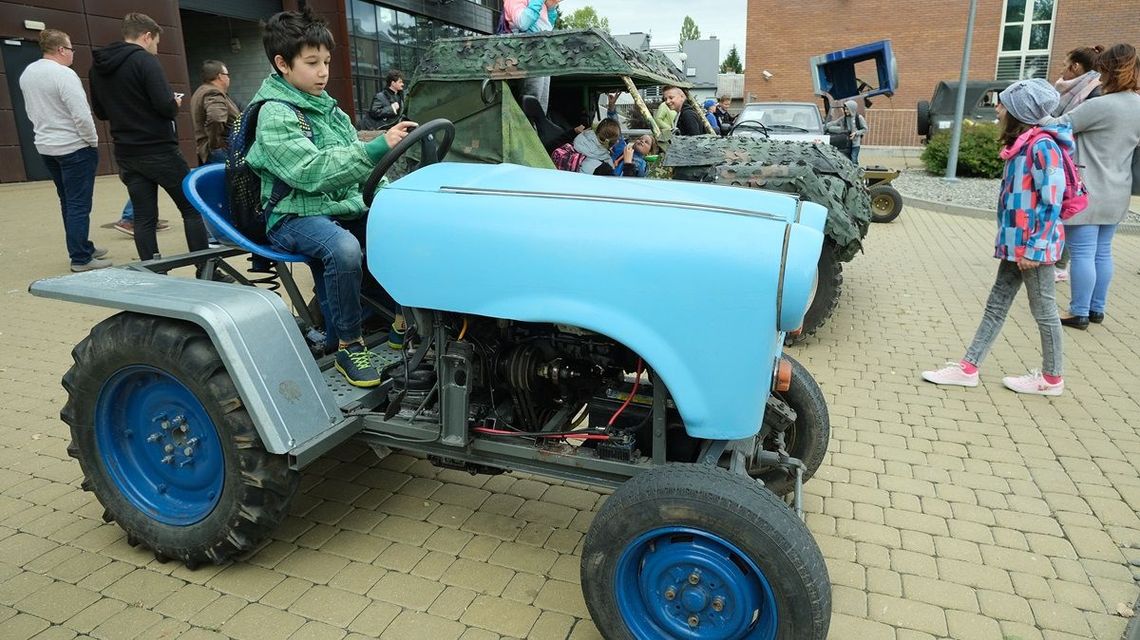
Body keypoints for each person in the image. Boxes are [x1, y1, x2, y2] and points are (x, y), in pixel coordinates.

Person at [247, 8, 415, 387]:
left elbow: (361, 170)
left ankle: (403, 321)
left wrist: (390, 199)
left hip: (333, 207)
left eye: (326, 61)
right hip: (292, 214)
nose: (323, 71)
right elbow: (311, 171)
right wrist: (373, 150)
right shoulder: (275, 114)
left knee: (404, 225)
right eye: (312, 62)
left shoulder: (331, 111)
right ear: (282, 64)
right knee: (343, 249)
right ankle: (347, 344)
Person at [921, 79, 1069, 396]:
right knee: (996, 305)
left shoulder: (1042, 147)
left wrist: (1034, 248)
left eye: (1003, 103)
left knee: (1045, 311)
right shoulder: (1023, 146)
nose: (998, 108)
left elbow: (1051, 202)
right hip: (1017, 249)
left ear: (1020, 112)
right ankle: (968, 368)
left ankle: (1052, 379)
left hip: (1032, 251)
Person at [90, 13, 210, 264]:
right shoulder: (145, 62)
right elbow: (164, 108)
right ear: (146, 36)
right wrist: (174, 103)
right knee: (192, 208)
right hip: (158, 150)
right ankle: (205, 268)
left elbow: (100, 112)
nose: (156, 48)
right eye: (156, 42)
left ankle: (154, 270)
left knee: (144, 217)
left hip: (126, 153)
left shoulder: (98, 68)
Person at [18, 28, 110, 272]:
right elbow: (81, 114)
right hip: (74, 147)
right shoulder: (64, 75)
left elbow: (31, 111)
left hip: (47, 147)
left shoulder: (28, 73)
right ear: (61, 49)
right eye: (70, 49)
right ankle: (80, 257)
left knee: (67, 201)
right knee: (79, 203)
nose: (72, 54)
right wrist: (92, 141)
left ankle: (82, 245)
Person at [1050, 45, 1103, 283]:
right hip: (1068, 160)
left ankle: (1061, 265)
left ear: (1076, 67)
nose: (1062, 70)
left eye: (1065, 64)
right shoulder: (1077, 90)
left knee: (1074, 216)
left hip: (1081, 164)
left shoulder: (1094, 94)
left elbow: (1068, 124)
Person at [504, 0, 560, 112]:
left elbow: (548, 26)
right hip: (529, 54)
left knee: (541, 106)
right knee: (531, 101)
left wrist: (551, 7)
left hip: (542, 54)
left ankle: (537, 128)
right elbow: (523, 23)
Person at [190, 59, 240, 165]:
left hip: (213, 151)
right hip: (221, 151)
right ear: (220, 76)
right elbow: (216, 118)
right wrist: (216, 144)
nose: (228, 78)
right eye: (227, 74)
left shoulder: (201, 91)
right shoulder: (213, 92)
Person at [570, 118, 637, 176]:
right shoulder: (603, 168)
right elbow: (623, 188)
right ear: (613, 143)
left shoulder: (576, 141)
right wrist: (628, 164)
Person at [824, 100, 867, 164]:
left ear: (852, 109)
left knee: (854, 159)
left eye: (847, 109)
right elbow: (835, 122)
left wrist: (856, 133)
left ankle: (855, 170)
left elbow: (865, 129)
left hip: (855, 144)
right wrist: (825, 126)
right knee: (846, 159)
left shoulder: (859, 118)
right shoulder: (844, 118)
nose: (845, 111)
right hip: (846, 143)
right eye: (845, 109)